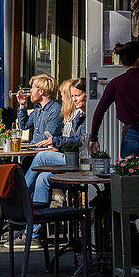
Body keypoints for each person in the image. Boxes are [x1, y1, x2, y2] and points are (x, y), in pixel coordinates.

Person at [88, 41, 139, 160]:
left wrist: (94, 138)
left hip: (130, 134)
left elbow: (99, 111)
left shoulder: (116, 83)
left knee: (130, 174)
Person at [25, 78, 87, 206]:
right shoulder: (78, 114)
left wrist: (56, 140)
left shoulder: (88, 116)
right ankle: (34, 224)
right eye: (72, 96)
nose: (73, 99)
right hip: (71, 158)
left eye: (77, 95)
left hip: (82, 161)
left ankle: (19, 195)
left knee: (41, 156)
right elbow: (24, 125)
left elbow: (80, 141)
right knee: (42, 177)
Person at [14, 73, 64, 141]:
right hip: (35, 148)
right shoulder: (39, 108)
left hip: (42, 150)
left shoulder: (55, 111)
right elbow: (23, 125)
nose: (30, 90)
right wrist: (22, 105)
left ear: (41, 91)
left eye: (32, 88)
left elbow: (47, 141)